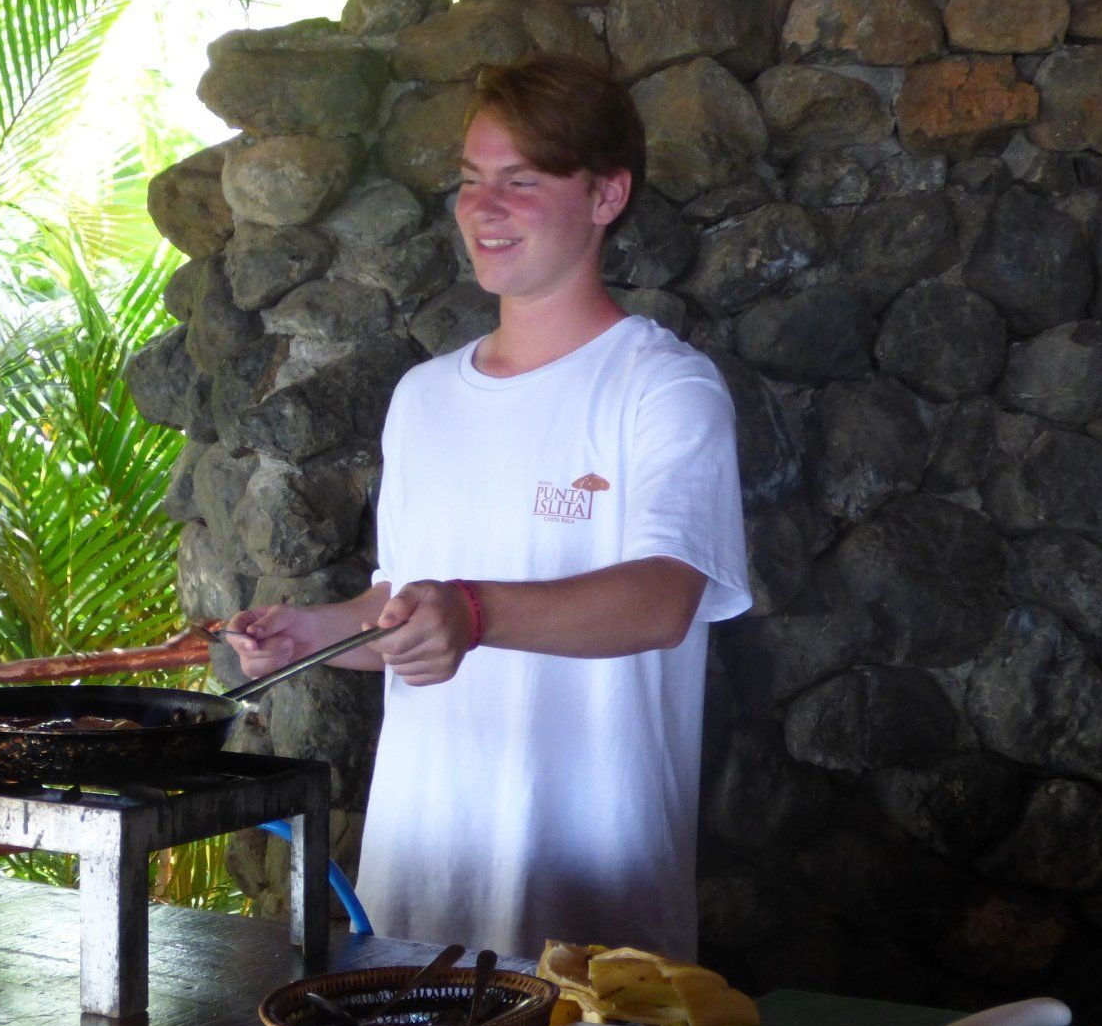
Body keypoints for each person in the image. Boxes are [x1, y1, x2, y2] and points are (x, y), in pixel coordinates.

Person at [225, 55, 750, 962]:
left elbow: (666, 599)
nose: (482, 209)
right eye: (470, 181)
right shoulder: (424, 397)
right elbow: (401, 607)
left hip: (593, 904)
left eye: (522, 181)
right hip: (417, 880)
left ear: (606, 195)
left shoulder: (663, 387)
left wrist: (474, 613)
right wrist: (314, 634)